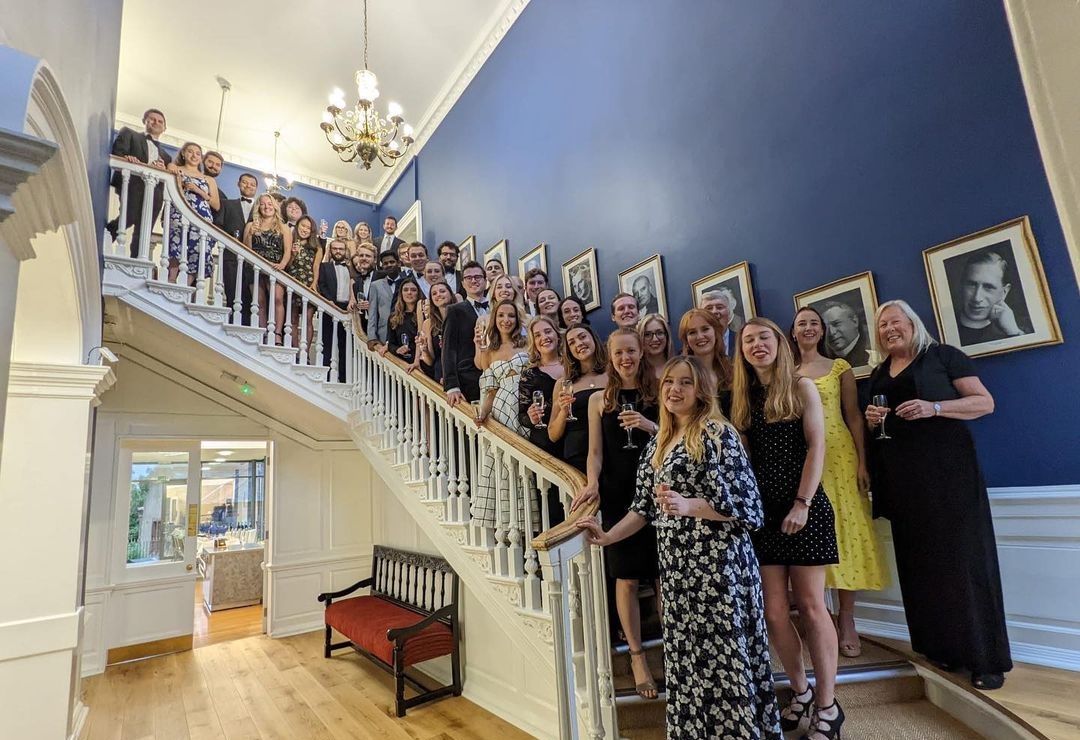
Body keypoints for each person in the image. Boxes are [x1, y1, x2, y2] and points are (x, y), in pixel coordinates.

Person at [577, 356, 780, 739]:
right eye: (669, 382)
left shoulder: (718, 433)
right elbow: (643, 508)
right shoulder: (658, 441)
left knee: (726, 660)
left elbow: (749, 507)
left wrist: (691, 506)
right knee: (688, 663)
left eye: (685, 383)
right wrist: (607, 536)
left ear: (701, 388)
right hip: (677, 570)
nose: (674, 389)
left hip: (720, 568)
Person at [865, 299, 1011, 690]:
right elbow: (879, 421)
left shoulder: (943, 356)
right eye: (882, 326)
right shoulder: (879, 373)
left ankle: (985, 660)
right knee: (921, 565)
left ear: (912, 323)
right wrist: (872, 418)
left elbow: (985, 402)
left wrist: (935, 406)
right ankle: (940, 648)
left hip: (949, 476)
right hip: (904, 480)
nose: (889, 329)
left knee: (965, 562)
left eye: (895, 321)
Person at [731, 318, 842, 739]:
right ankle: (800, 691)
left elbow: (817, 446)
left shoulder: (800, 387)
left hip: (804, 508)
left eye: (764, 338)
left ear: (779, 343)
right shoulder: (742, 399)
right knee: (774, 612)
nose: (757, 345)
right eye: (749, 340)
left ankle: (828, 706)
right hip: (763, 516)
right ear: (741, 351)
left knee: (812, 607)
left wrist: (802, 502)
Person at [790, 306, 887, 659]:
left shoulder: (840, 368)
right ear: (794, 331)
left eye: (815, 323)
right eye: (803, 323)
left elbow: (854, 417)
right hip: (801, 459)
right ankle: (820, 616)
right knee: (808, 538)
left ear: (822, 331)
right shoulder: (786, 372)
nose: (809, 328)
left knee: (846, 536)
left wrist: (863, 461)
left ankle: (847, 619)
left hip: (840, 456)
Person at [572, 329, 661, 700]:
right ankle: (638, 659)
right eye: (619, 352)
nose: (626, 358)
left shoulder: (658, 390)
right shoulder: (597, 399)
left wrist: (648, 426)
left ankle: (674, 652)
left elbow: (675, 438)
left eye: (631, 351)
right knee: (624, 578)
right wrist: (592, 482)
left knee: (661, 576)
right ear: (610, 356)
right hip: (616, 492)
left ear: (641, 353)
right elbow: (595, 452)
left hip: (658, 492)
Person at [107, 108, 171, 258]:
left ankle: (137, 259)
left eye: (160, 121)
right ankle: (105, 239)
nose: (156, 123)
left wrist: (162, 169)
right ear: (145, 121)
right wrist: (129, 158)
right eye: (152, 119)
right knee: (127, 218)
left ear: (164, 128)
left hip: (155, 194)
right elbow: (118, 153)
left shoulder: (166, 156)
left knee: (145, 229)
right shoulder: (129, 134)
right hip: (133, 186)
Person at [547, 323, 609, 473]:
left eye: (583, 337)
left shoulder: (612, 375)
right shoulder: (563, 384)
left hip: (611, 452)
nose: (579, 344)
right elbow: (553, 435)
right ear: (569, 351)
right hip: (577, 457)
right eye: (572, 342)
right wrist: (563, 412)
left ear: (593, 339)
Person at [166, 142, 220, 284]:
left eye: (198, 153)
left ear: (201, 158)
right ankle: (171, 279)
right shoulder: (174, 168)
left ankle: (187, 285)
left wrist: (198, 190)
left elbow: (216, 205)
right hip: (179, 211)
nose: (194, 155)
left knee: (198, 249)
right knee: (176, 244)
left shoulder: (209, 179)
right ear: (183, 153)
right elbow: (173, 185)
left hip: (202, 215)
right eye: (190, 151)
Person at [243, 194, 292, 337]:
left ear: (275, 207)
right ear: (258, 207)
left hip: (275, 267)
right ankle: (263, 332)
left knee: (277, 299)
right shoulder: (251, 225)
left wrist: (282, 265)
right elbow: (246, 248)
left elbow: (288, 250)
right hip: (255, 267)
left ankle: (277, 333)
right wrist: (250, 234)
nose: (267, 207)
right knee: (260, 301)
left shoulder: (283, 227)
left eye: (270, 204)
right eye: (263, 204)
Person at [955, 251, 1029, 344]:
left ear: (1004, 292)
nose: (977, 298)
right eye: (971, 285)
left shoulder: (1021, 329)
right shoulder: (947, 325)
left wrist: (1013, 332)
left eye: (988, 287)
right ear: (961, 286)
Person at [442, 261, 490, 405]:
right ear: (462, 283)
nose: (473, 280)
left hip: (496, 376)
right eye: (469, 278)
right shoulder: (454, 310)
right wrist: (452, 386)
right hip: (468, 380)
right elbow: (448, 348)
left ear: (485, 281)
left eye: (478, 277)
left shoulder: (498, 309)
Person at [518, 316, 566, 457]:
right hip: (544, 443)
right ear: (534, 342)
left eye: (548, 331)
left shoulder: (574, 366)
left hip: (575, 438)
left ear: (557, 335)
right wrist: (531, 417)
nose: (544, 337)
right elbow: (522, 415)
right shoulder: (529, 373)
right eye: (537, 335)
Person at [215, 171, 259, 321]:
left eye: (252, 184)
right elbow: (218, 227)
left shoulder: (262, 210)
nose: (248, 186)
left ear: (256, 189)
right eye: (245, 182)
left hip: (253, 261)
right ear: (239, 184)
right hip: (231, 257)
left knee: (252, 298)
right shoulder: (227, 204)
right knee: (232, 294)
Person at [678, 309, 734, 416]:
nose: (700, 336)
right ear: (686, 340)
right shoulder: (679, 375)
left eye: (705, 329)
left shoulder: (733, 371)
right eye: (692, 332)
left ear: (715, 332)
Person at [317, 239, 353, 381]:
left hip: (347, 310)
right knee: (327, 343)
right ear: (330, 251)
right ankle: (326, 376)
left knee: (345, 346)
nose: (338, 251)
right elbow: (322, 284)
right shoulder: (324, 267)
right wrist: (328, 300)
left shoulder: (351, 269)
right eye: (335, 249)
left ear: (345, 252)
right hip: (329, 306)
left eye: (341, 249)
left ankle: (344, 378)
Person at [285, 215, 322, 350]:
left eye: (308, 227)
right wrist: (293, 254)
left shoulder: (316, 247)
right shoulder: (290, 241)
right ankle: (295, 350)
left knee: (308, 319)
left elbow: (316, 266)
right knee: (293, 319)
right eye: (303, 226)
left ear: (312, 230)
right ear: (297, 226)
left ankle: (304, 352)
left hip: (308, 284)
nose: (305, 229)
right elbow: (286, 266)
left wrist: (314, 284)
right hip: (293, 283)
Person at [415, 281, 455, 382]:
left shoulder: (462, 316)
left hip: (460, 369)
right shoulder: (428, 324)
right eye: (434, 293)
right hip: (440, 373)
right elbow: (430, 361)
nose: (439, 295)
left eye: (442, 291)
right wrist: (424, 350)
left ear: (450, 294)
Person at [366, 250, 404, 343]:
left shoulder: (407, 283)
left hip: (404, 331)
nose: (389, 265)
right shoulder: (375, 285)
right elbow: (372, 313)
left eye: (392, 262)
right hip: (384, 334)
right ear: (382, 266)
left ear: (398, 263)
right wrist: (372, 337)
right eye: (385, 263)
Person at [821, 301, 872, 367]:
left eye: (836, 324)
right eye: (825, 328)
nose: (831, 332)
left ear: (855, 321)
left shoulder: (874, 358)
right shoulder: (822, 366)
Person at [385, 277, 422, 364]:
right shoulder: (393, 317)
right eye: (405, 290)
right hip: (402, 363)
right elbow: (390, 343)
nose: (409, 292)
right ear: (401, 294)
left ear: (418, 293)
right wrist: (397, 350)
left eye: (413, 290)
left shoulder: (424, 315)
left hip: (420, 363)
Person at [700, 288, 739, 358]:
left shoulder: (741, 340)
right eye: (709, 308)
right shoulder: (695, 346)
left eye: (719, 307)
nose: (714, 312)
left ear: (729, 312)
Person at [350, 243, 377, 334]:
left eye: (368, 256)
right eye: (361, 255)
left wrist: (372, 306)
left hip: (380, 329)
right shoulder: (356, 283)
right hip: (364, 329)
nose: (364, 258)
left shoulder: (383, 277)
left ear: (375, 260)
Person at [639, 313, 672, 382]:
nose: (655, 339)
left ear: (667, 336)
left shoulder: (678, 366)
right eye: (647, 334)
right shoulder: (636, 371)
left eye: (659, 333)